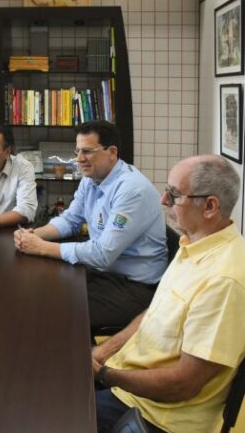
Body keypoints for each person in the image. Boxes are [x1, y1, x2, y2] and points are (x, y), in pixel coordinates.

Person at [93, 155, 245, 433]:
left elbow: (183, 385)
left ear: (210, 206)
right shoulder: (193, 243)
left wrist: (105, 375)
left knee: (48, 413)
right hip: (129, 382)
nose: (163, 200)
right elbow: (154, 313)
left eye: (174, 195)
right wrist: (103, 353)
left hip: (157, 416)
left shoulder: (225, 280)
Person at [14, 120, 167, 332]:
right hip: (107, 273)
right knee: (43, 288)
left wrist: (41, 247)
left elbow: (102, 254)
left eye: (87, 151)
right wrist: (33, 234)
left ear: (112, 152)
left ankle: (74, 353)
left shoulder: (132, 190)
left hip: (136, 287)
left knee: (56, 310)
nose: (79, 159)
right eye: (77, 151)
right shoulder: (92, 177)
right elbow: (71, 219)